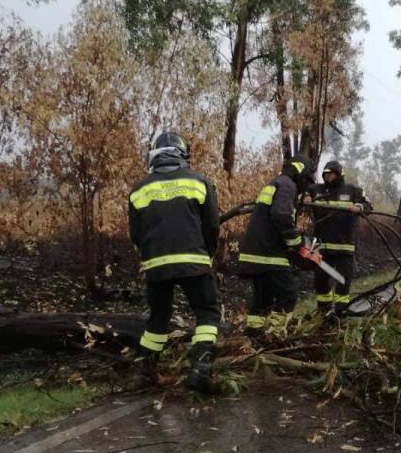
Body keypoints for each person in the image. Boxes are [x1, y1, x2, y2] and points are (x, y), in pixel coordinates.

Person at [127, 131, 221, 392]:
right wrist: (207, 255)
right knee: (207, 312)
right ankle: (201, 368)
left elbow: (135, 233)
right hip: (194, 259)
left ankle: (143, 370)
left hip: (156, 264)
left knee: (158, 317)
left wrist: (150, 256)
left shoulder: (139, 189)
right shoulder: (199, 181)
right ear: (183, 154)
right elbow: (212, 225)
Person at [238, 155, 313, 337]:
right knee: (288, 294)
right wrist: (296, 243)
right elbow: (281, 215)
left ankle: (253, 335)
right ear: (301, 174)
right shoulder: (288, 185)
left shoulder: (276, 183)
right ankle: (275, 335)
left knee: (263, 297)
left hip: (255, 251)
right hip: (269, 254)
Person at [305, 160, 372, 320]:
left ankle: (340, 312)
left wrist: (359, 208)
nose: (328, 177)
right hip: (320, 246)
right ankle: (324, 312)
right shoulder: (316, 190)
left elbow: (368, 205)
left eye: (331, 174)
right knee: (320, 280)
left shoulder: (352, 190)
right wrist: (306, 197)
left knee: (343, 279)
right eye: (326, 174)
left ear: (339, 174)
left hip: (344, 245)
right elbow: (302, 192)